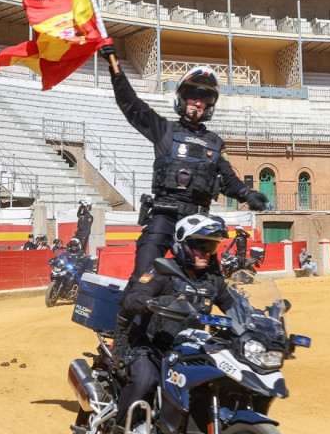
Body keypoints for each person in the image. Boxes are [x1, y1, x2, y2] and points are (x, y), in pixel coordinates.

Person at [99, 45, 268, 284]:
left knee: (212, 285)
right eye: (193, 96)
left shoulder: (215, 143)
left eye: (205, 99)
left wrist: (247, 193)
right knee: (142, 279)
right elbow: (133, 107)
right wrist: (115, 68)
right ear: (182, 98)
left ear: (210, 107)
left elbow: (228, 181)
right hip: (163, 217)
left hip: (199, 223)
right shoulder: (165, 130)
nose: (198, 103)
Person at [110, 214, 234, 434]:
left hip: (189, 353)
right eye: (201, 246)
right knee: (145, 380)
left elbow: (234, 307)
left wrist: (257, 320)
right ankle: (119, 432)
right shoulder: (162, 271)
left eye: (212, 247)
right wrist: (148, 302)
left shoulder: (213, 280)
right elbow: (133, 298)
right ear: (183, 245)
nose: (206, 252)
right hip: (152, 348)